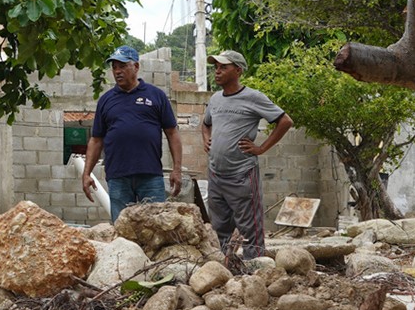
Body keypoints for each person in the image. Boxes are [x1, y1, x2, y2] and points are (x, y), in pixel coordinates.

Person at [201, 49, 294, 259]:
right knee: (219, 226)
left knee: (250, 227)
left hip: (242, 174)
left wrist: (261, 148)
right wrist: (205, 138)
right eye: (216, 67)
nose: (217, 71)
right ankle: (226, 266)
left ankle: (256, 266)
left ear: (238, 70)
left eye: (223, 67)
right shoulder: (215, 99)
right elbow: (205, 124)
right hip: (216, 175)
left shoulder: (253, 97)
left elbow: (285, 121)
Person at [81, 44, 183, 222]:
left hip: (150, 176)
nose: (117, 71)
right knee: (122, 228)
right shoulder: (106, 101)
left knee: (156, 227)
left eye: (122, 66)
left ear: (136, 66)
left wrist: (177, 169)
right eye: (114, 67)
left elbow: (172, 133)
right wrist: (86, 173)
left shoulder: (156, 96)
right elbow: (96, 140)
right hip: (118, 177)